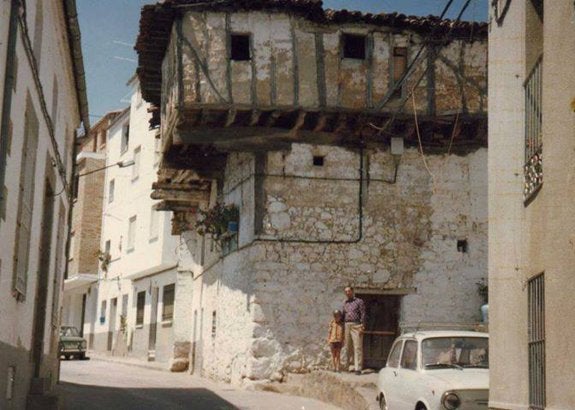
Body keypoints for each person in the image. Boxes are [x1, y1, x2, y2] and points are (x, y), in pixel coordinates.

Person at [342, 286, 366, 375]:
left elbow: (363, 313)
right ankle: (346, 366)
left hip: (356, 325)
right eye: (346, 291)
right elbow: (343, 314)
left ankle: (358, 368)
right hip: (347, 324)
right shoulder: (345, 303)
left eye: (349, 291)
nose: (347, 293)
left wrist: (362, 325)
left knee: (357, 346)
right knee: (347, 347)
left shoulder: (359, 301)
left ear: (352, 291)